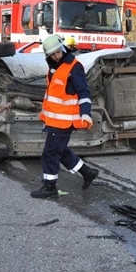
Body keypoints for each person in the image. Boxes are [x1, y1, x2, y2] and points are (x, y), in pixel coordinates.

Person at [30, 34, 99, 199]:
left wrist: (85, 113)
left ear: (64, 48)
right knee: (59, 150)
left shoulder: (74, 67)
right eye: (53, 54)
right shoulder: (54, 66)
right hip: (54, 119)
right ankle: (87, 172)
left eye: (59, 52)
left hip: (64, 121)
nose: (57, 55)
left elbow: (83, 91)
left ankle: (50, 187)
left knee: (50, 152)